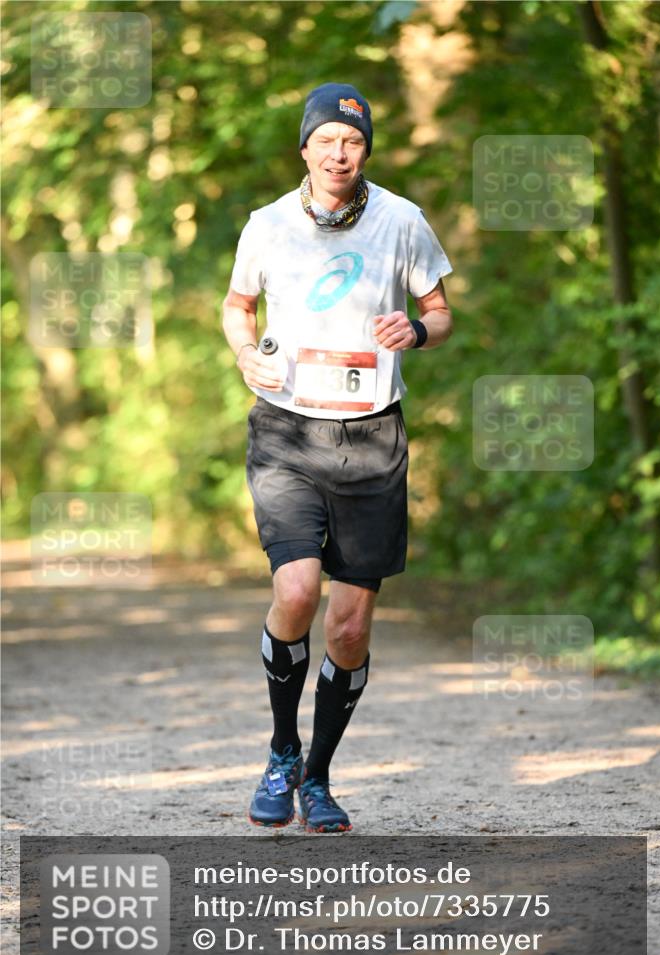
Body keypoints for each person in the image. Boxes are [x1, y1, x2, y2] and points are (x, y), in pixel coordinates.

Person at [222, 82, 453, 833]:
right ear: (305, 149)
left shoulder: (403, 220)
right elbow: (237, 305)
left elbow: (440, 311)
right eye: (325, 140)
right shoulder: (265, 225)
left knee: (349, 628)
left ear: (364, 152)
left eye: (351, 141)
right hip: (287, 430)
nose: (338, 152)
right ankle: (281, 750)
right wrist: (242, 356)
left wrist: (415, 333)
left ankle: (316, 777)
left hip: (371, 437)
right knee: (295, 593)